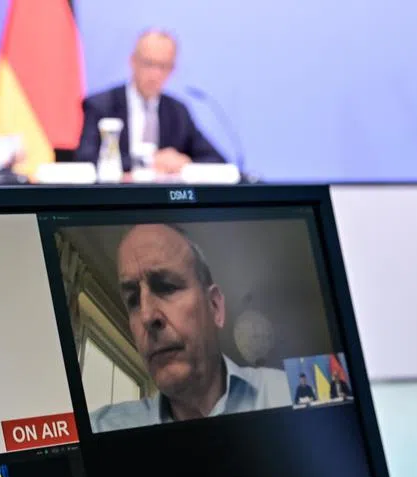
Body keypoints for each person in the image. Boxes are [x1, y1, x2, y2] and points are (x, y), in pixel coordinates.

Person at [89, 224, 290, 432]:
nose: (147, 316)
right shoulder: (98, 429)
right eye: (133, 300)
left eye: (167, 286)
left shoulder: (291, 395)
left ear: (215, 307)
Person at [74, 29, 224, 174]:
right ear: (133, 61)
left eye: (163, 66)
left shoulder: (177, 111)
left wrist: (184, 161)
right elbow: (85, 160)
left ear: (173, 69)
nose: (155, 74)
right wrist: (148, 161)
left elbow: (215, 160)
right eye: (148, 63)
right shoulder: (102, 105)